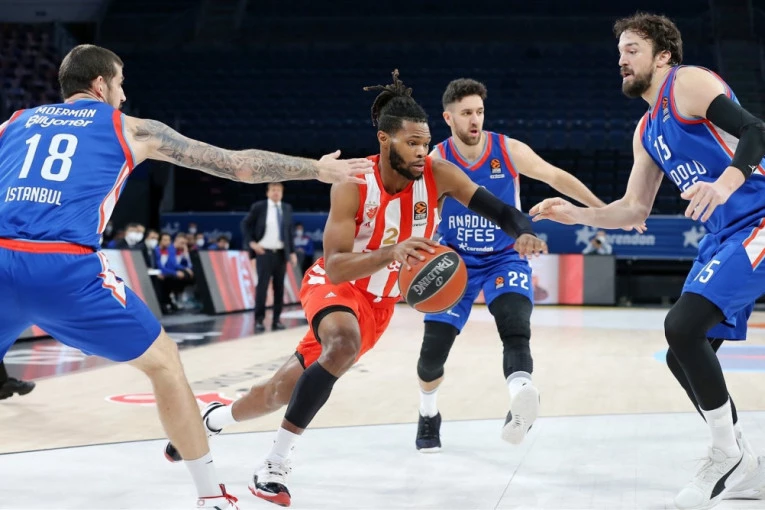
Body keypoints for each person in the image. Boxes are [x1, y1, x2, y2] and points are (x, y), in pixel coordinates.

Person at [0, 43, 372, 509]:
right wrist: (316, 168)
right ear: (100, 84)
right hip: (63, 266)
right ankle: (210, 495)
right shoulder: (131, 127)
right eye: (120, 82)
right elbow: (238, 165)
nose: (123, 93)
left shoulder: (14, 123)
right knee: (165, 364)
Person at [163, 70, 548, 507]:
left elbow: (502, 210)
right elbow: (337, 266)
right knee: (343, 344)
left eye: (425, 143)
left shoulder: (438, 173)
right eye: (411, 143)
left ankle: (210, 422)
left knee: (277, 393)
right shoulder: (352, 183)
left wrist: (524, 232)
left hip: (379, 305)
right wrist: (392, 252)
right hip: (336, 284)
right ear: (384, 139)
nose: (421, 152)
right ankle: (274, 464)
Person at [530, 13, 765, 509]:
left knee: (682, 326)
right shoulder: (646, 129)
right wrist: (576, 214)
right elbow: (633, 210)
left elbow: (756, 130)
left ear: (663, 56)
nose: (621, 59)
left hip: (759, 216)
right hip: (724, 233)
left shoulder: (687, 82)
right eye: (619, 51)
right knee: (683, 354)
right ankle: (744, 465)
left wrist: (725, 184)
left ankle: (727, 456)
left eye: (632, 49)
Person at [413, 78, 609, 452]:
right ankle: (428, 411)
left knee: (515, 324)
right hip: (455, 261)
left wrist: (601, 211)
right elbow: (419, 212)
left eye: (479, 112)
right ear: (448, 118)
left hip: (504, 256)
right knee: (431, 356)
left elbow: (555, 176)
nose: (475, 120)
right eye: (466, 113)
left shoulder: (507, 149)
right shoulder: (436, 160)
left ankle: (522, 395)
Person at [242, 182, 297, 332]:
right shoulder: (259, 207)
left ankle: (276, 320)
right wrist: (252, 243)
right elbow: (245, 225)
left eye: (279, 190)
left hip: (281, 253)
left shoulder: (286, 208)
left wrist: (292, 252)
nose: (276, 192)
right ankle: (259, 320)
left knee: (279, 288)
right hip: (264, 253)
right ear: (267, 192)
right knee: (262, 286)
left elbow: (289, 231)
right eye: (273, 190)